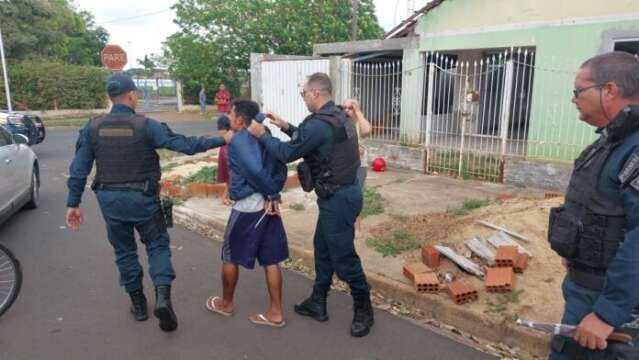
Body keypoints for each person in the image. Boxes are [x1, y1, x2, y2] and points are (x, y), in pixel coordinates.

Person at [65, 74, 230, 332]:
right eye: (137, 94)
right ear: (131, 95)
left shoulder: (93, 127)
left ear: (110, 98)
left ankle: (139, 306)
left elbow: (79, 169)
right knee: (157, 246)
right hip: (143, 199)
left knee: (124, 252)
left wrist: (73, 203)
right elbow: (185, 145)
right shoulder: (146, 125)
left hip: (110, 202)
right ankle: (162, 298)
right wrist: (222, 139)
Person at [247, 73, 374, 337]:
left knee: (343, 257)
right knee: (323, 249)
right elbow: (311, 140)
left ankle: (364, 308)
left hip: (338, 199)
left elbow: (287, 153)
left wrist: (261, 135)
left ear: (315, 93)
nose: (303, 97)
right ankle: (318, 301)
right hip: (344, 195)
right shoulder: (338, 116)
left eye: (303, 93)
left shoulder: (319, 123)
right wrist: (284, 126)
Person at [547, 52, 639, 359]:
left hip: (612, 304)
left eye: (578, 91)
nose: (574, 99)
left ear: (609, 90)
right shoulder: (611, 142)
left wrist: (607, 313)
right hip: (585, 287)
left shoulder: (635, 148)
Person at [205, 99, 289, 328]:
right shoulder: (263, 131)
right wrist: (272, 194)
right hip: (267, 206)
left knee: (230, 255)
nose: (228, 118)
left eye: (231, 115)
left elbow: (254, 169)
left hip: (249, 207)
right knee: (271, 259)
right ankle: (275, 313)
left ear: (240, 120)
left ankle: (226, 303)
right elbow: (279, 164)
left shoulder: (241, 139)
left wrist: (272, 194)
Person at [343, 99, 372, 239]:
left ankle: (357, 227)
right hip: (343, 165)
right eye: (345, 107)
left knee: (356, 196)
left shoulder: (360, 124)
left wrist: (358, 111)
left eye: (351, 107)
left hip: (359, 166)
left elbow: (367, 130)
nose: (347, 110)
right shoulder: (343, 124)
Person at [216, 115, 233, 206]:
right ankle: (226, 196)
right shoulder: (223, 147)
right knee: (228, 173)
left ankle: (227, 196)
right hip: (225, 151)